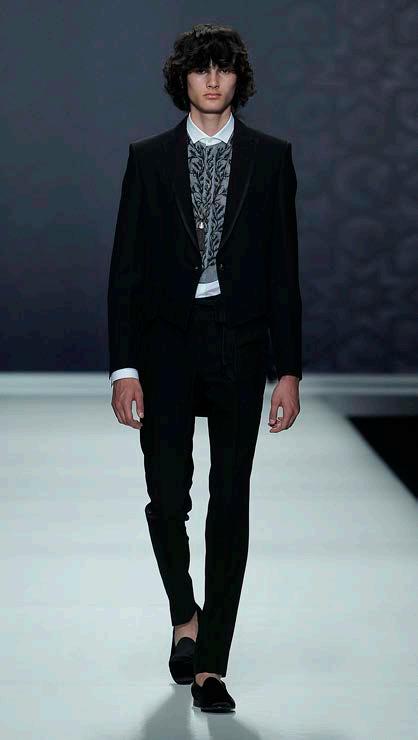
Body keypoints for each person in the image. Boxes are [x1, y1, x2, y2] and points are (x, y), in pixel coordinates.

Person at [107, 22, 302, 713]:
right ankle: (185, 613)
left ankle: (211, 664)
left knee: (231, 498)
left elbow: (283, 270)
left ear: (238, 79)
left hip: (239, 343)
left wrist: (288, 369)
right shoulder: (148, 159)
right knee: (167, 495)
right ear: (182, 80)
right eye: (201, 68)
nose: (213, 79)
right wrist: (123, 366)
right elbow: (126, 268)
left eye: (223, 68)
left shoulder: (271, 159)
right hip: (165, 343)